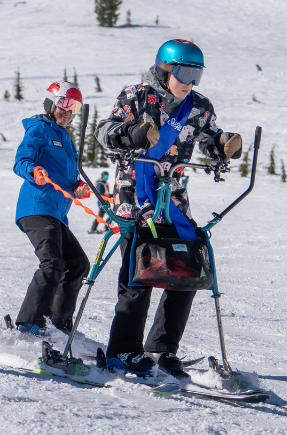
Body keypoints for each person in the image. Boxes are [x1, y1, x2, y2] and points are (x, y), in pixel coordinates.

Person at [95, 39, 242, 378]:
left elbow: (211, 139)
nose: (191, 82)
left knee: (186, 271)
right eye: (186, 72)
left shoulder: (199, 107)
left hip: (172, 199)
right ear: (166, 68)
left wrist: (222, 146)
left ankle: (162, 348)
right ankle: (124, 351)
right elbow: (105, 130)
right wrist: (130, 133)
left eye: (197, 74)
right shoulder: (136, 95)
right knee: (139, 274)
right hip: (136, 197)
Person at [12, 80, 92, 336]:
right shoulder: (39, 128)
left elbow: (67, 175)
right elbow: (21, 161)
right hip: (37, 207)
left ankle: (59, 325)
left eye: (74, 107)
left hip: (57, 213)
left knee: (78, 263)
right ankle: (29, 323)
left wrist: (78, 186)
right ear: (50, 103)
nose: (68, 111)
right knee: (52, 262)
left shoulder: (65, 137)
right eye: (64, 103)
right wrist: (33, 170)